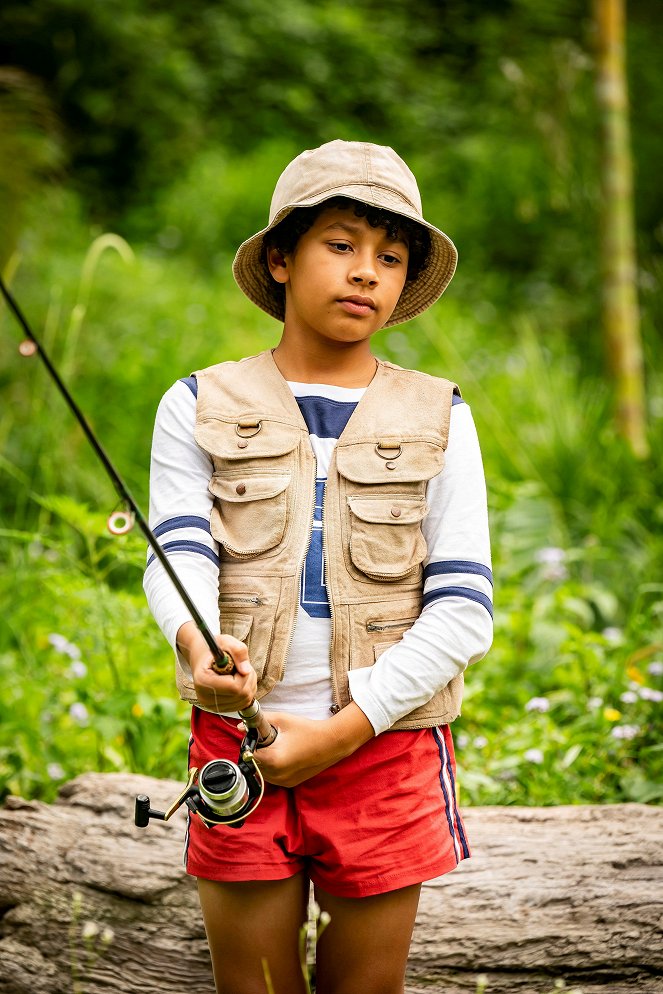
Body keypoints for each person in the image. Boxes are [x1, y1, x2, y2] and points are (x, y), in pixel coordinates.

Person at [144, 139, 493, 994]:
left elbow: (462, 608)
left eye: (389, 256)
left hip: (385, 749)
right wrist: (197, 648)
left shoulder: (440, 413)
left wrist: (345, 729)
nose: (365, 272)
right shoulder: (196, 401)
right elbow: (175, 554)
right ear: (280, 257)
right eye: (339, 245)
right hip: (238, 739)